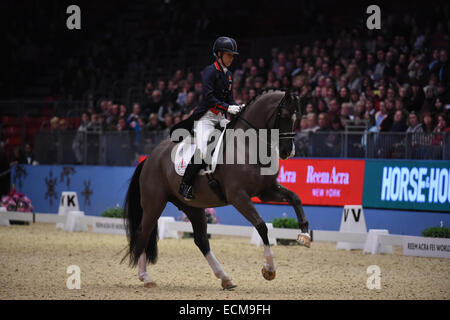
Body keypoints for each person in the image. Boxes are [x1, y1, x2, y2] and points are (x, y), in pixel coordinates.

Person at [173, 36, 243, 201]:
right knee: (204, 150)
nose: (231, 58)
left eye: (233, 56)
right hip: (206, 117)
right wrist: (228, 107)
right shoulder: (210, 71)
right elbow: (209, 97)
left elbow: (229, 98)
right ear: (219, 54)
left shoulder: (229, 75)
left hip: (220, 117)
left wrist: (237, 107)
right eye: (228, 55)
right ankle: (185, 184)